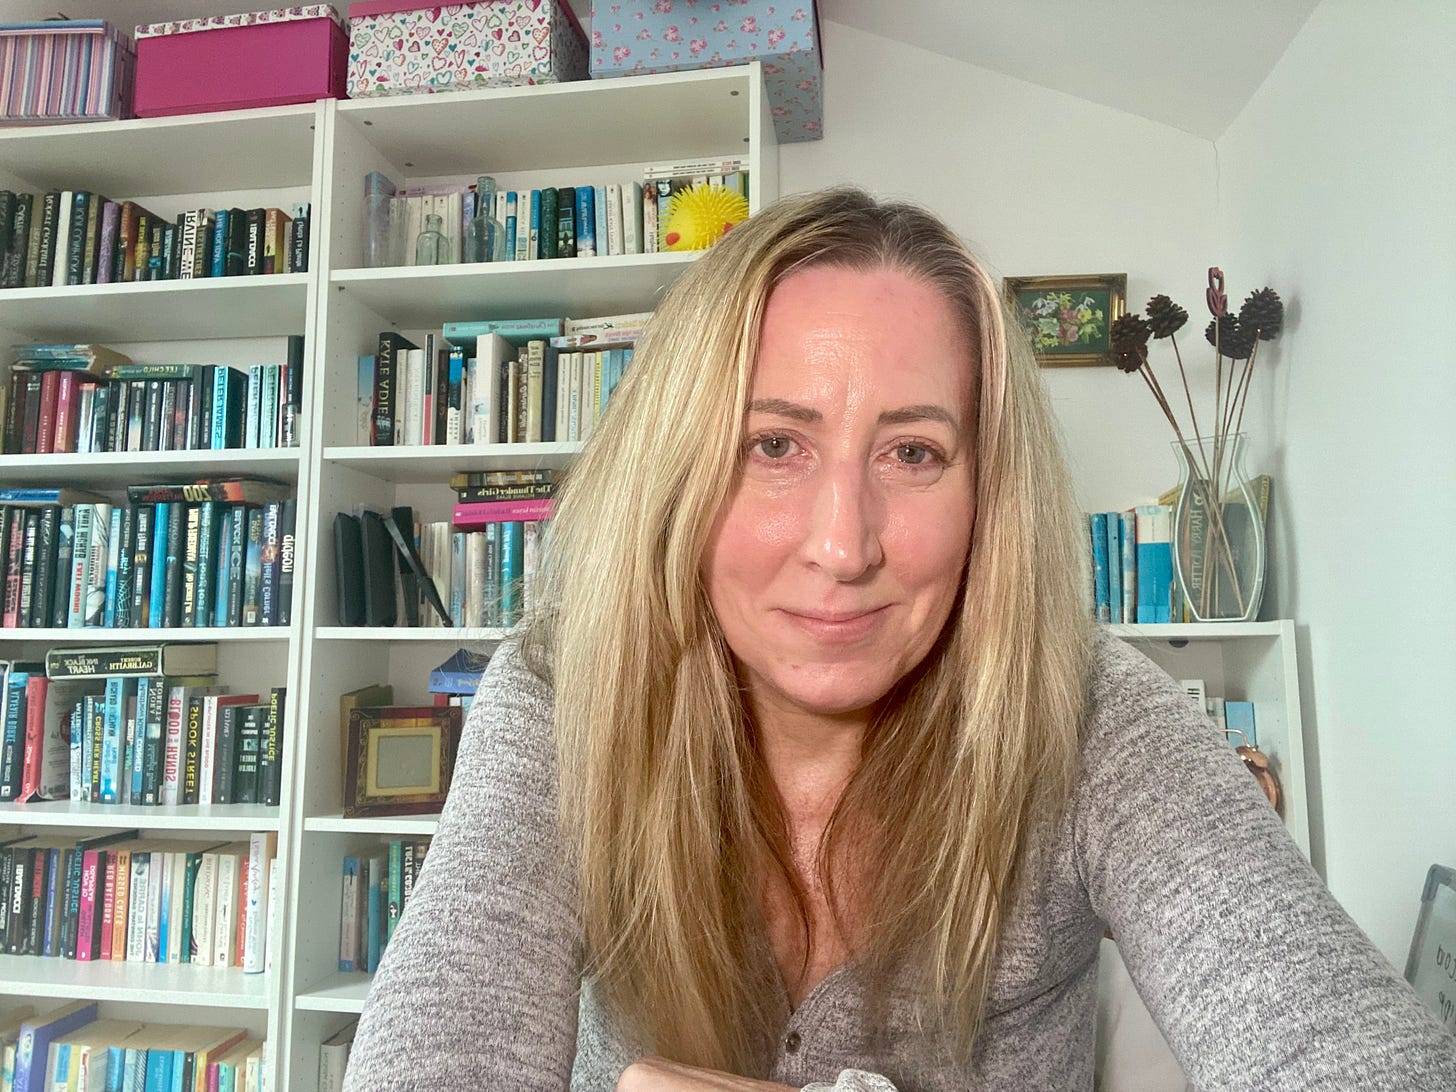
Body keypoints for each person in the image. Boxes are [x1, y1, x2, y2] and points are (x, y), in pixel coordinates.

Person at [343, 188, 1455, 1090]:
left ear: (987, 492)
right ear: (674, 469)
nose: (843, 546)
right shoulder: (561, 694)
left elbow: (1339, 1049)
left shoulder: (1090, 721)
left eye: (913, 454)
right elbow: (443, 1042)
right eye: (774, 444)